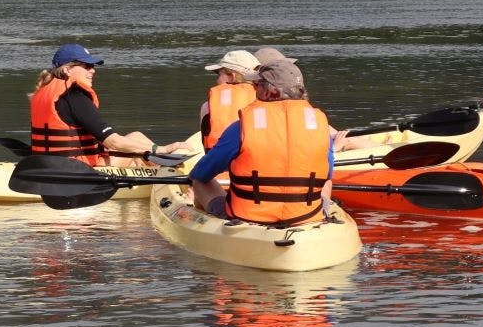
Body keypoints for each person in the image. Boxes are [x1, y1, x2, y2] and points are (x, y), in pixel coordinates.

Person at [190, 60, 336, 225]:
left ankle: (204, 223)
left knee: (198, 181)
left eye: (258, 85)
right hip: (306, 217)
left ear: (269, 92)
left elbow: (201, 173)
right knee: (328, 179)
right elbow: (328, 173)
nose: (255, 89)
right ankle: (322, 219)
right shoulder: (320, 125)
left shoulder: (241, 127)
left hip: (249, 219)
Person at [29, 43, 191, 167]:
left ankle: (150, 171)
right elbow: (114, 142)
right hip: (79, 170)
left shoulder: (44, 92)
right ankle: (163, 178)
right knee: (135, 149)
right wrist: (161, 149)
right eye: (86, 66)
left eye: (92, 66)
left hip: (46, 166)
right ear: (67, 70)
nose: (92, 71)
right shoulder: (75, 96)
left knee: (136, 137)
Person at [199, 49, 260, 150]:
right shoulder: (267, 101)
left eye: (218, 74)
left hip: (222, 162)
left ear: (232, 77)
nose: (216, 80)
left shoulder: (208, 107)